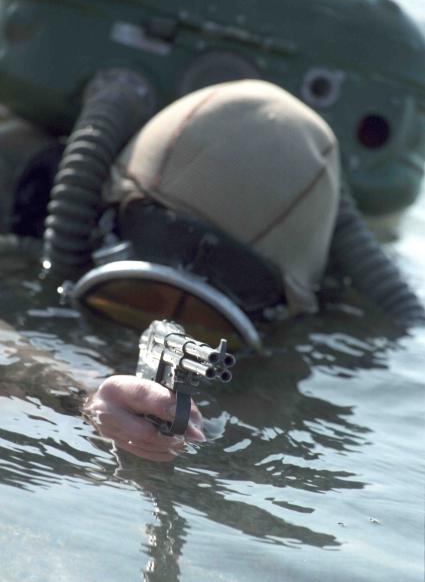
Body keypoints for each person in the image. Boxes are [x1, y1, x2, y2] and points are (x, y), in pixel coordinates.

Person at [81, 79, 424, 462]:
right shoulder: (34, 210)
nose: (156, 321)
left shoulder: (335, 318)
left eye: (205, 323)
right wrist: (80, 391)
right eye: (133, 297)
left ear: (283, 308)